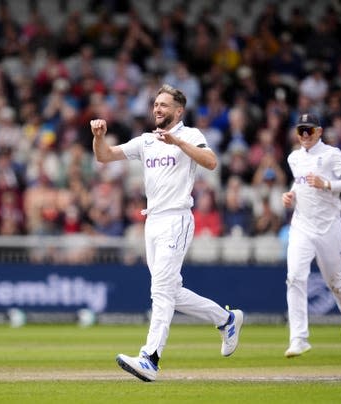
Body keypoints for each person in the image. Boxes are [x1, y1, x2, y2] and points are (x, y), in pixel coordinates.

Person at [90, 84, 243, 382]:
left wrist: (178, 143)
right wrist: (98, 137)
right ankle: (226, 320)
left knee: (160, 290)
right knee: (170, 291)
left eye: (164, 105)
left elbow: (211, 162)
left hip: (177, 218)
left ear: (178, 111)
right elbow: (104, 156)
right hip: (153, 222)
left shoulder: (190, 135)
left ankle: (150, 358)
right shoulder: (146, 141)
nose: (157, 109)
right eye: (155, 104)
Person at [282, 113, 341, 358]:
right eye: (301, 130)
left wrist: (328, 184)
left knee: (335, 281)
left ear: (319, 131)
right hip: (302, 226)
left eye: (309, 130)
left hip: (328, 226)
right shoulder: (294, 157)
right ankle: (299, 338)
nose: (305, 135)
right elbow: (300, 182)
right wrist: (291, 195)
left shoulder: (332, 154)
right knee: (294, 277)